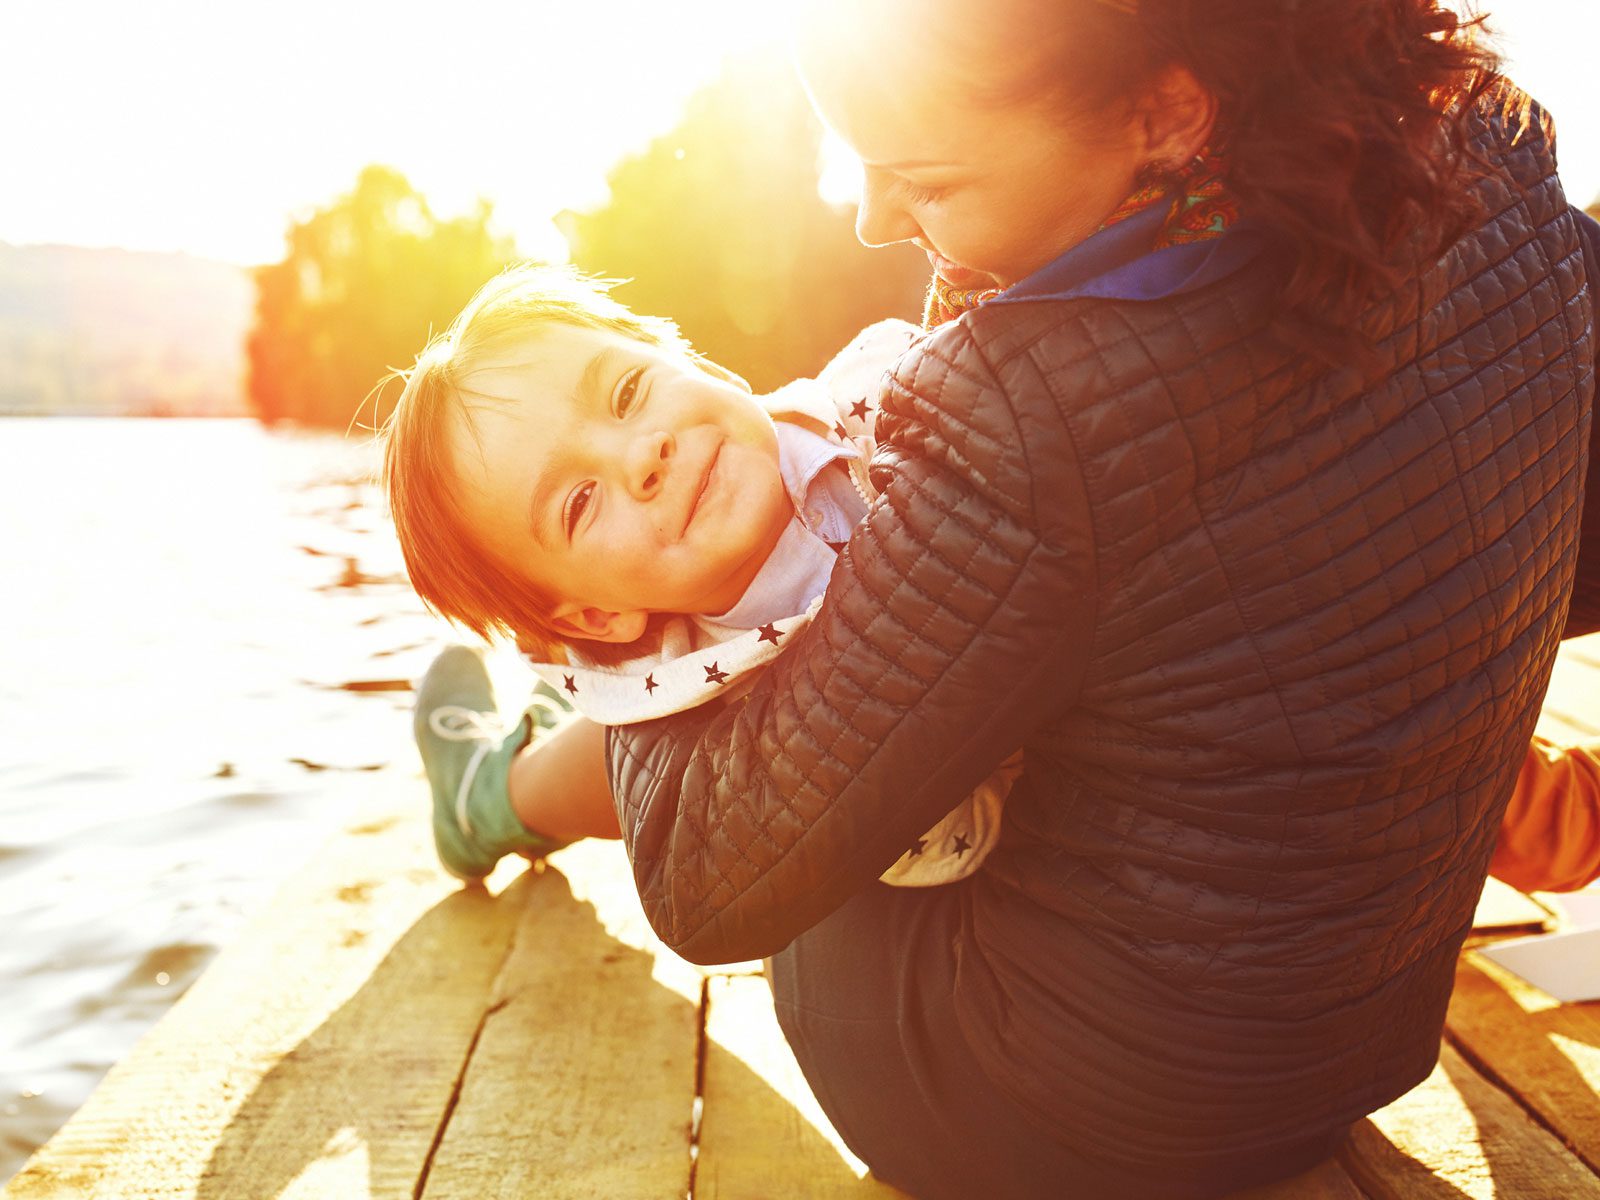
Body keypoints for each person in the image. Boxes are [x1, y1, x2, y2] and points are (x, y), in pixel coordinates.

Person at [577, 1, 1595, 1197]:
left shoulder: (1031, 407)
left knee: (761, 665)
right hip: (1355, 1039)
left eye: (922, 178)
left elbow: (706, 880)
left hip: (1066, 1119)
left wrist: (615, 640)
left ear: (1166, 112)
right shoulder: (1501, 158)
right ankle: (513, 779)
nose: (869, 217)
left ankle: (509, 776)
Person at [381, 265, 1011, 888]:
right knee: (641, 741)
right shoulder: (736, 736)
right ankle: (485, 802)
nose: (640, 454)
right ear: (599, 615)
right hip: (711, 699)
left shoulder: (894, 388)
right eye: (579, 502)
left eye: (627, 393)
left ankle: (541, 734)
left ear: (704, 367)